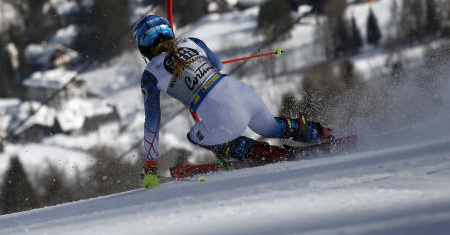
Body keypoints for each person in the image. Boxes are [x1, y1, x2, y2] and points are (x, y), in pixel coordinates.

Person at [134, 14, 330, 187]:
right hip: (246, 95)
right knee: (271, 128)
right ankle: (316, 132)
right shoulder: (192, 41)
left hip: (226, 119)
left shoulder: (150, 75)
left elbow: (152, 122)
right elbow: (217, 64)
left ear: (144, 48)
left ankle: (260, 153)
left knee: (194, 135)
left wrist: (150, 166)